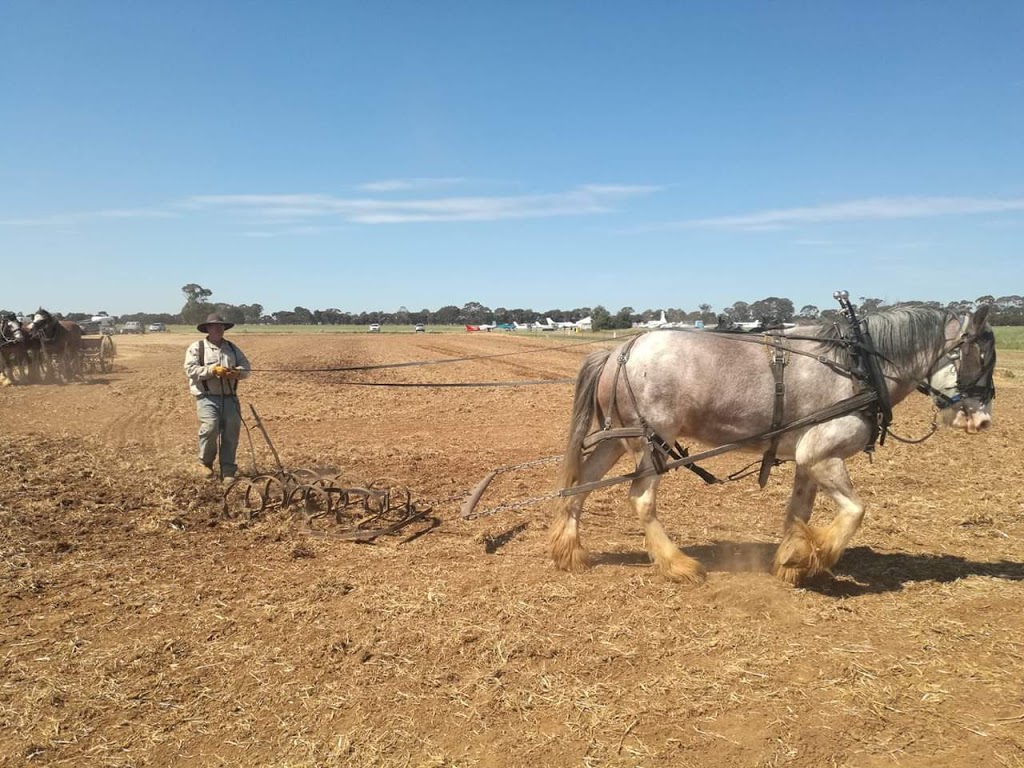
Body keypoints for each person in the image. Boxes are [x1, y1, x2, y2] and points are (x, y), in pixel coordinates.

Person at [184, 313, 251, 482]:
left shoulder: (232, 348)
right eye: (214, 326)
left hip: (230, 398)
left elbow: (246, 368)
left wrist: (236, 373)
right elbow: (190, 370)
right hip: (207, 398)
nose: (218, 329)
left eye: (221, 326)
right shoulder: (197, 348)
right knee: (211, 427)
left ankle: (228, 470)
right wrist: (212, 370)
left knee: (231, 433)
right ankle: (205, 464)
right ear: (207, 328)